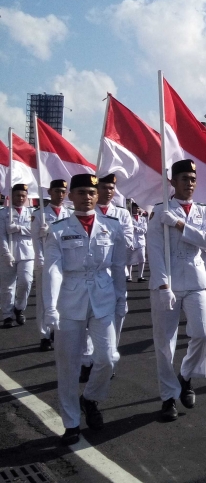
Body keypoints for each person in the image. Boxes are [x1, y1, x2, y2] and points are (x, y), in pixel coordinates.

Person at [43, 173, 127, 445]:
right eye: (81, 192)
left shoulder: (112, 226)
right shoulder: (58, 229)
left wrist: (122, 298)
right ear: (71, 196)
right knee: (67, 366)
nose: (87, 197)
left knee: (108, 357)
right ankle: (70, 422)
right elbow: (53, 270)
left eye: (92, 192)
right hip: (70, 300)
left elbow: (117, 267)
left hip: (103, 298)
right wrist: (50, 306)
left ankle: (90, 398)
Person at [147, 159, 206, 421]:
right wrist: (163, 284)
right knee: (165, 344)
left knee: (204, 334)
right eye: (185, 178)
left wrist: (179, 225)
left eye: (193, 179)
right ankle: (168, 397)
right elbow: (154, 252)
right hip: (168, 282)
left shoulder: (203, 211)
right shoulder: (159, 211)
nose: (190, 183)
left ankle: (185, 376)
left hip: (196, 280)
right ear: (173, 182)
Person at [31, 179, 72, 350]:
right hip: (45, 262)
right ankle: (44, 335)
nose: (60, 195)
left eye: (63, 191)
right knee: (44, 299)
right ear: (49, 192)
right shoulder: (39, 214)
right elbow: (35, 239)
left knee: (62, 298)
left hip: (65, 263)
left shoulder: (70, 214)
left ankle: (56, 328)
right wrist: (40, 259)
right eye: (57, 191)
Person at [0, 183, 35, 328]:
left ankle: (19, 308)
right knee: (8, 286)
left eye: (23, 195)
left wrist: (19, 229)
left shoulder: (32, 213)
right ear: (11, 196)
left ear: (27, 197)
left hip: (27, 252)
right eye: (17, 195)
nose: (20, 198)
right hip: (8, 251)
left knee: (26, 282)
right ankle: (7, 315)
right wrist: (5, 253)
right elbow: (1, 235)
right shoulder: (3, 213)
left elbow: (36, 231)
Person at [95, 174, 134, 282]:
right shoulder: (89, 213)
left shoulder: (122, 213)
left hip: (117, 267)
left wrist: (102, 238)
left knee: (120, 297)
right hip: (94, 268)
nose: (108, 191)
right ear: (97, 189)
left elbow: (128, 240)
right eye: (104, 188)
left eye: (111, 188)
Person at [127, 202, 148, 283]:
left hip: (141, 241)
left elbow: (144, 230)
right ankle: (129, 276)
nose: (136, 209)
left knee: (142, 259)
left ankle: (140, 276)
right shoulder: (129, 218)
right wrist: (136, 228)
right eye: (135, 208)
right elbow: (128, 228)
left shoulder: (142, 219)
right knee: (130, 259)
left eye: (137, 208)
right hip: (132, 240)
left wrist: (135, 228)